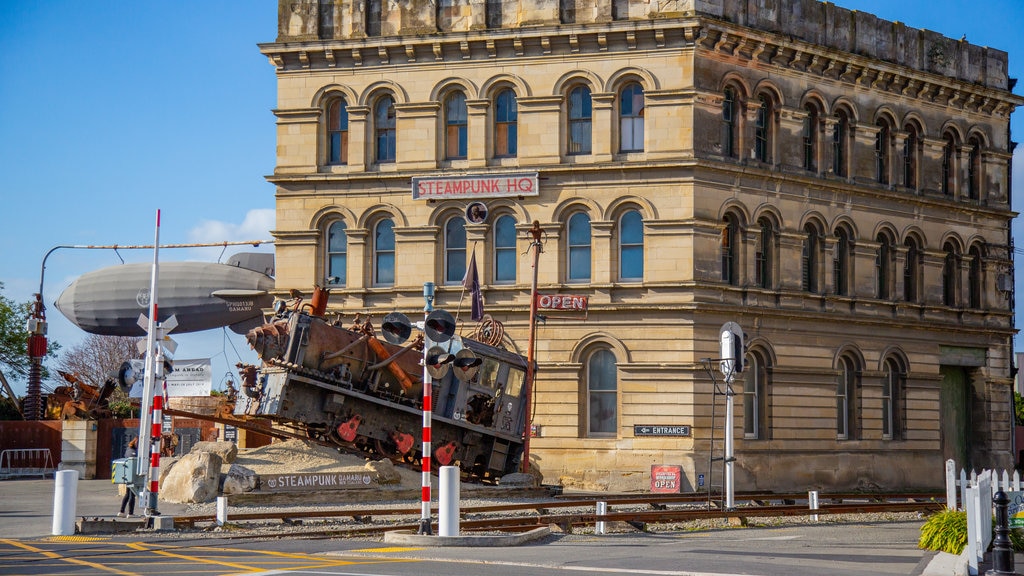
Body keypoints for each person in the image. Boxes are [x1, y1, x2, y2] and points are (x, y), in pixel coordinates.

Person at [117, 437, 137, 518]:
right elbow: (134, 458)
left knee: (128, 494)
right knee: (132, 494)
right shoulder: (132, 451)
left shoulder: (128, 449)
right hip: (132, 474)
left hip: (128, 474)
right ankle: (131, 513)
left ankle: (122, 511)